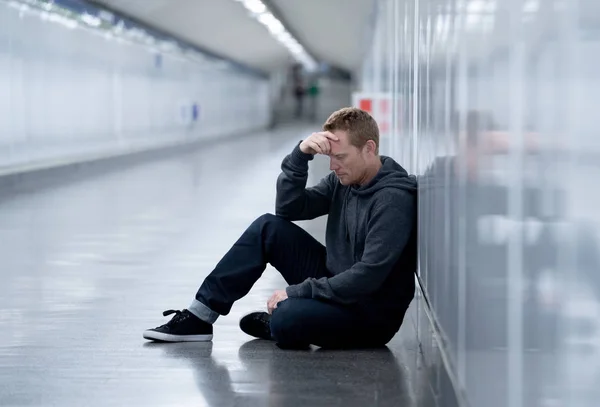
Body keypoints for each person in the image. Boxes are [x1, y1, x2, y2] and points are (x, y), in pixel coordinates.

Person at [143, 107, 418, 349]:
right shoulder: (344, 181)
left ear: (369, 148)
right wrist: (300, 156)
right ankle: (200, 317)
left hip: (369, 313)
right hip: (339, 282)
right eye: (331, 158)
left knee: (287, 316)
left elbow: (368, 276)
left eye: (341, 158)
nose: (333, 167)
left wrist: (297, 292)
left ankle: (288, 320)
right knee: (268, 228)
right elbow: (289, 210)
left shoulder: (392, 199)